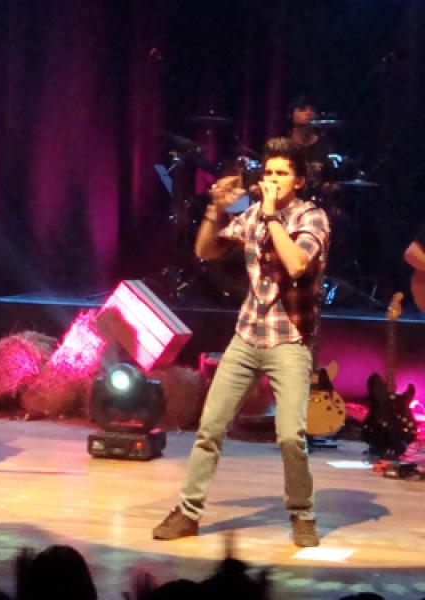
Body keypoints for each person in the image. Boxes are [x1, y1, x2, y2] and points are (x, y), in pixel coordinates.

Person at [152, 137, 330, 547]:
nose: (273, 179)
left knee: (290, 436)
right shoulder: (252, 215)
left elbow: (297, 264)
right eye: (268, 172)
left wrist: (271, 217)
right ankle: (188, 512)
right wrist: (215, 210)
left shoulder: (312, 217)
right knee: (210, 427)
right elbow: (206, 250)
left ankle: (302, 514)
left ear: (299, 181)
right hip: (247, 336)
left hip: (289, 340)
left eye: (282, 173)